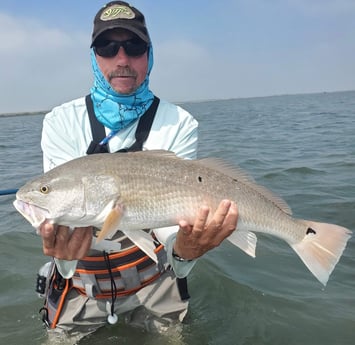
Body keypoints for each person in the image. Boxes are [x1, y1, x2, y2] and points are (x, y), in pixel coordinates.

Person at [38, 1, 238, 342]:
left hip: (155, 281)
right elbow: (65, 219)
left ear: (149, 54)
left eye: (134, 47)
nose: (121, 60)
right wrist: (64, 258)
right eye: (107, 47)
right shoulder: (61, 122)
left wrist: (185, 253)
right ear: (94, 56)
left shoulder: (179, 122)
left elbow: (172, 228)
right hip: (80, 286)